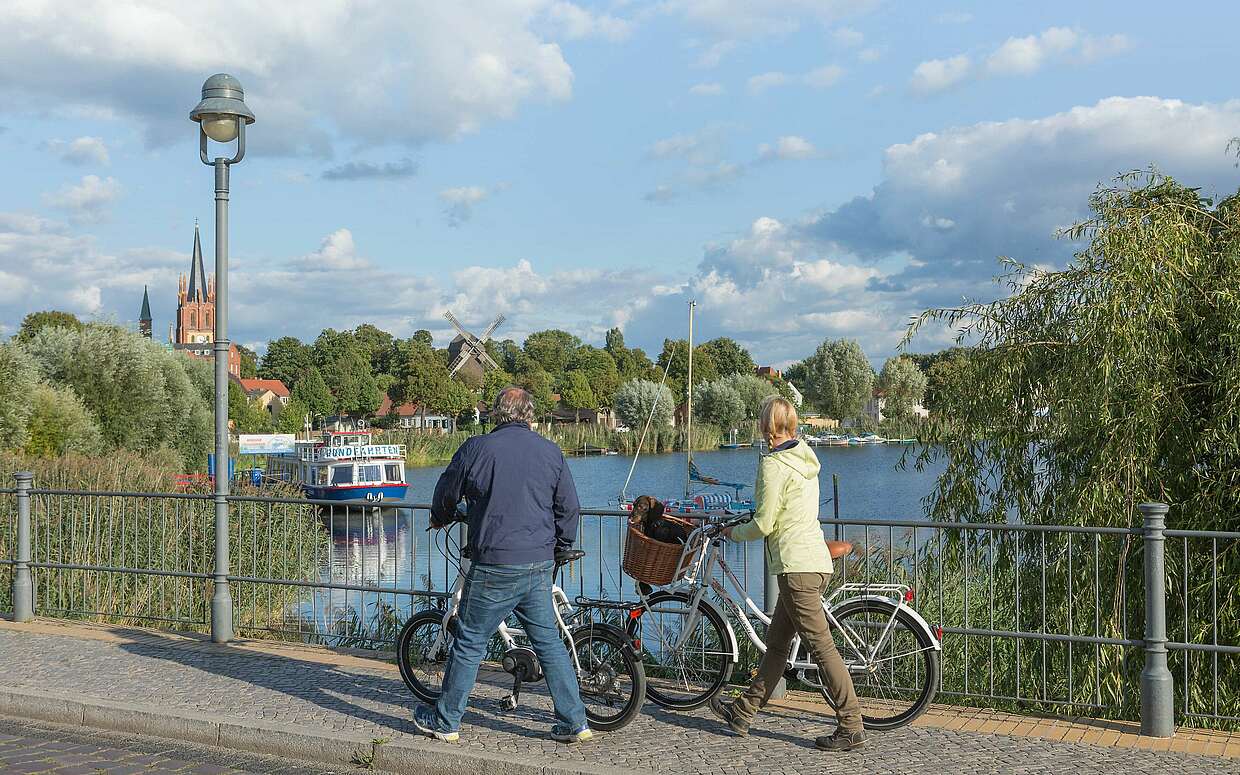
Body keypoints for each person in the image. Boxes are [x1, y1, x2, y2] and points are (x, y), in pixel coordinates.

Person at [410, 387, 593, 745]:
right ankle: (575, 722)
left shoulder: (476, 448)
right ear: (529, 415)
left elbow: (447, 492)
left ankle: (446, 722)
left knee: (469, 642)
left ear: (496, 414)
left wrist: (441, 516)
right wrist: (561, 547)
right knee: (550, 644)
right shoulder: (549, 451)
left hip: (494, 562)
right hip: (537, 563)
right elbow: (569, 508)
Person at [711, 396, 865, 752]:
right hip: (812, 562)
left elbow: (765, 523)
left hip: (796, 569)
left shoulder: (774, 464)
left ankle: (852, 725)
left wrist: (733, 533)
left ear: (766, 425)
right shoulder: (806, 458)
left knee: (822, 649)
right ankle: (744, 711)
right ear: (792, 425)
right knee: (778, 644)